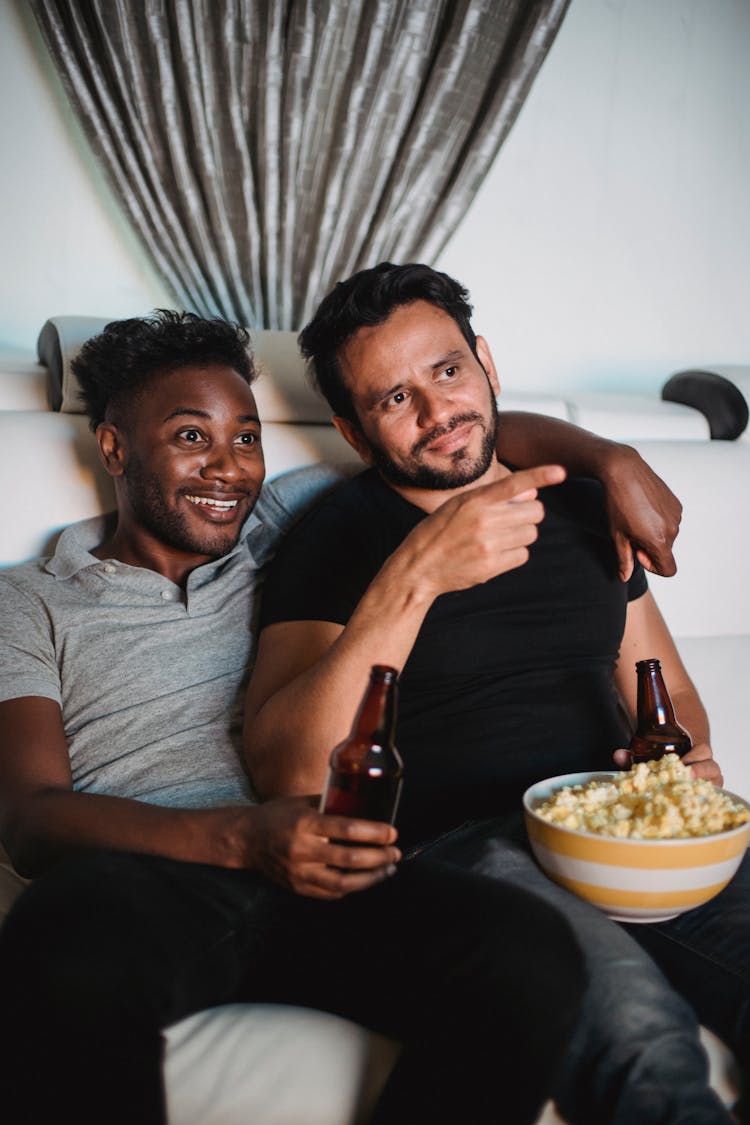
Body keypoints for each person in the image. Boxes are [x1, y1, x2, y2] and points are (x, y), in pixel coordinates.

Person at [0, 309, 686, 1125]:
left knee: (532, 955)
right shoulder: (31, 600)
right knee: (60, 939)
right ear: (114, 448)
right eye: (192, 436)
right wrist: (242, 836)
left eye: (246, 439)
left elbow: (457, 437)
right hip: (150, 876)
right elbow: (30, 818)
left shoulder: (276, 526)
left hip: (330, 878)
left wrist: (611, 458)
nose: (226, 469)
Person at [244, 263, 750, 1124]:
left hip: (622, 825)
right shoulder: (336, 537)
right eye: (394, 399)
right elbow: (288, 768)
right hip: (473, 852)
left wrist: (686, 766)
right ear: (353, 433)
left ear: (485, 361)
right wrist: (414, 578)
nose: (439, 412)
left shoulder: (585, 504)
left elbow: (667, 693)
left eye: (446, 371)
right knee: (643, 1035)